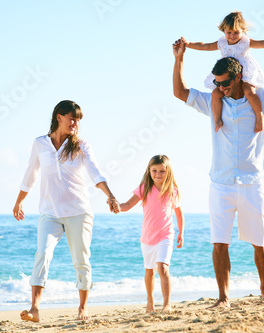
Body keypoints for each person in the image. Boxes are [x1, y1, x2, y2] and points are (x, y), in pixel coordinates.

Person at [172, 32, 264, 308]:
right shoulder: (213, 101)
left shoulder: (262, 100)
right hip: (220, 184)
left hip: (253, 183)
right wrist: (179, 59)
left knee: (260, 242)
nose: (221, 88)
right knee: (219, 243)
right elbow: (180, 92)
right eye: (217, 84)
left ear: (239, 77)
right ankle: (223, 298)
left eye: (226, 83)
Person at [13, 100, 119, 322]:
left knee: (81, 259)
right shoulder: (40, 143)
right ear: (59, 117)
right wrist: (19, 201)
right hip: (49, 212)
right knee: (42, 253)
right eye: (72, 118)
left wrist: (110, 195)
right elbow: (30, 173)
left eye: (78, 120)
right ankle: (34, 308)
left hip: (78, 212)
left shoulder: (81, 145)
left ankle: (82, 308)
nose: (75, 123)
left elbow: (95, 173)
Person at [182, 11, 264, 133]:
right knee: (216, 94)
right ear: (224, 31)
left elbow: (263, 43)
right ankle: (217, 119)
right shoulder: (222, 42)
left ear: (242, 31)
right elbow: (205, 46)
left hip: (244, 73)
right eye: (229, 32)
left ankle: (259, 116)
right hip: (228, 73)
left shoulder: (245, 42)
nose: (232, 36)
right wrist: (188, 44)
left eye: (236, 32)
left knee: (249, 91)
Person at [114, 155, 184, 313]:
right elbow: (127, 205)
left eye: (162, 171)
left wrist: (181, 232)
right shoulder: (144, 188)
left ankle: (167, 304)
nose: (158, 174)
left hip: (166, 235)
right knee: (150, 271)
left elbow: (179, 213)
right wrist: (118, 207)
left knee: (163, 268)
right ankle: (150, 302)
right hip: (147, 237)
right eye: (154, 171)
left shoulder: (172, 191)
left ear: (168, 172)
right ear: (149, 171)